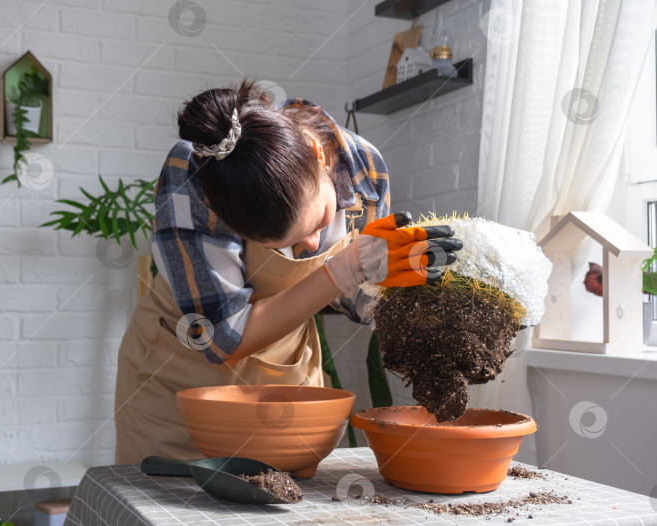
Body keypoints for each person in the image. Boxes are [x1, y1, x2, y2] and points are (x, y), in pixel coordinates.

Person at [114, 80, 462, 464]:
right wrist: (346, 268)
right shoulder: (194, 178)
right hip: (177, 384)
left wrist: (396, 290)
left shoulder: (363, 165)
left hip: (286, 376)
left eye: (320, 222)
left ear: (317, 154)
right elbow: (222, 339)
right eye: (274, 244)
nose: (312, 245)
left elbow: (355, 299)